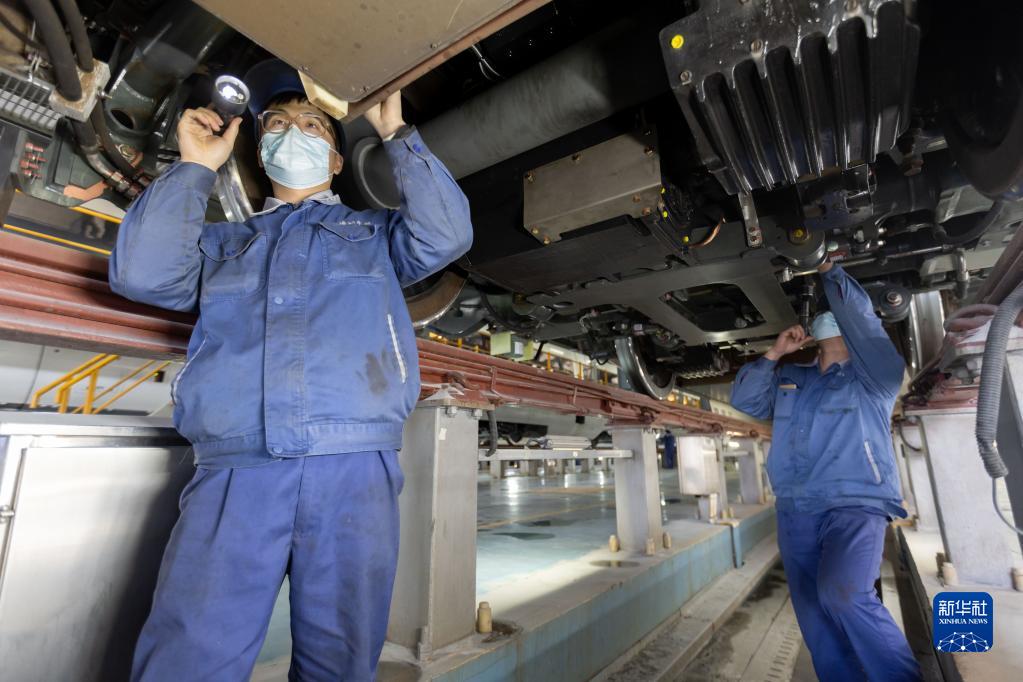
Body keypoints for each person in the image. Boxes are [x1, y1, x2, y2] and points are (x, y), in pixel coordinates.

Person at [109, 58, 473, 680]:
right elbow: (140, 275)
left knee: (339, 663)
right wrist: (195, 167)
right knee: (186, 658)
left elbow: (447, 235)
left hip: (352, 469)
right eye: (276, 125)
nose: (291, 133)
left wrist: (396, 134)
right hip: (235, 467)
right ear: (259, 151)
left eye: (311, 125)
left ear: (335, 160)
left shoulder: (375, 235)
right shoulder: (223, 245)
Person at [730, 260, 922, 682]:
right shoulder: (791, 377)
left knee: (845, 595)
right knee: (815, 616)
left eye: (831, 314)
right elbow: (745, 401)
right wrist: (775, 354)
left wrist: (828, 269)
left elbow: (863, 321)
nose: (824, 318)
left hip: (855, 503)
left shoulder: (875, 377)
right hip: (795, 508)